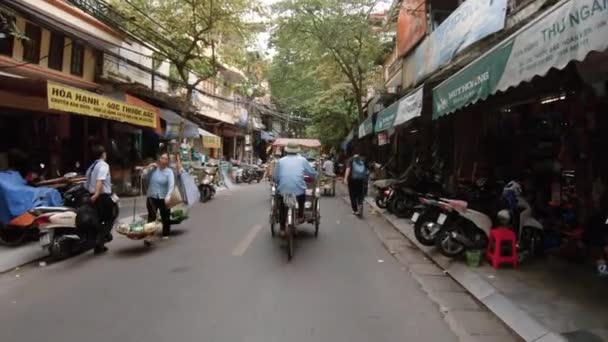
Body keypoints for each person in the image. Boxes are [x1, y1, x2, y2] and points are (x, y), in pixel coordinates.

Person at [273, 142, 317, 233]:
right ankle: (301, 215)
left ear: (287, 150)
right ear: (297, 150)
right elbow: (311, 173)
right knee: (302, 197)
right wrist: (316, 176)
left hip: (284, 189)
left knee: (282, 205)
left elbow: (276, 177)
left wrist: (278, 182)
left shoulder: (280, 161)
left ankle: (282, 228)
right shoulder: (303, 160)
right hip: (298, 190)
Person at [85, 145, 114, 255]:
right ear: (103, 154)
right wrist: (97, 193)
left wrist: (91, 194)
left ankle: (99, 245)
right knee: (109, 219)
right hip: (101, 196)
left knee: (99, 219)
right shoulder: (103, 165)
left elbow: (87, 183)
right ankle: (100, 240)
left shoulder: (91, 167)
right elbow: (99, 180)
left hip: (92, 195)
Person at [144, 152, 175, 240]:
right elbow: (143, 175)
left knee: (165, 216)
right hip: (151, 196)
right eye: (162, 158)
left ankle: (165, 233)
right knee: (151, 216)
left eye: (165, 159)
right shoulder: (154, 169)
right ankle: (150, 235)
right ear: (159, 159)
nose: (163, 160)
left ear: (168, 161)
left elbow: (171, 184)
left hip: (163, 197)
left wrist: (168, 196)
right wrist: (149, 166)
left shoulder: (169, 172)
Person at [344, 151, 368, 215]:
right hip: (360, 179)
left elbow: (348, 169)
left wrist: (345, 178)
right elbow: (366, 169)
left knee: (352, 194)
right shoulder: (363, 159)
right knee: (360, 193)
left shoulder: (350, 159)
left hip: (352, 180)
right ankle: (360, 204)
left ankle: (355, 210)